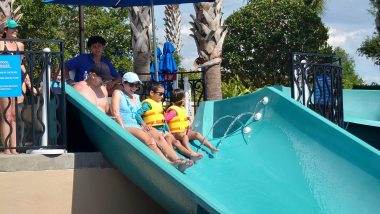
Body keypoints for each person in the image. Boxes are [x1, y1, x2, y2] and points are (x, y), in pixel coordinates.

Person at [111, 72, 193, 172]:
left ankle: (178, 160)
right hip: (125, 125)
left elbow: (141, 114)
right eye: (131, 84)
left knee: (159, 136)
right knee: (149, 140)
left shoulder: (136, 97)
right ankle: (167, 163)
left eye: (136, 85)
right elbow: (115, 112)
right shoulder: (118, 93)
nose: (134, 87)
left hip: (138, 125)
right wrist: (122, 128)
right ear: (124, 83)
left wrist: (145, 125)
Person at [136, 82, 203, 161]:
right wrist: (143, 124)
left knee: (176, 142)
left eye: (163, 94)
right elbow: (137, 114)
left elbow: (163, 120)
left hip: (162, 130)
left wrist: (168, 130)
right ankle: (174, 159)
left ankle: (191, 154)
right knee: (168, 141)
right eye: (160, 94)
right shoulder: (147, 104)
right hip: (154, 130)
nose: (162, 96)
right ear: (151, 93)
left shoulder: (159, 104)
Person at [0, 19, 31, 154]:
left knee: (13, 115)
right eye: (13, 28)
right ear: (5, 30)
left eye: (17, 28)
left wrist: (28, 80)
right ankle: (6, 149)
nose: (16, 30)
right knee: (6, 114)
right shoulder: (0, 44)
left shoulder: (20, 45)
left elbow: (21, 64)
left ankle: (13, 148)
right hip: (4, 80)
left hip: (15, 80)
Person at [166, 89, 219, 154]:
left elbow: (181, 119)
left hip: (185, 131)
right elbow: (165, 120)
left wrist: (188, 122)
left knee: (197, 134)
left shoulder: (182, 108)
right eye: (184, 98)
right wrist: (167, 131)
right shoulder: (173, 111)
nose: (185, 100)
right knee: (185, 137)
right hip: (176, 133)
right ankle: (190, 151)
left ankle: (211, 148)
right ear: (180, 99)